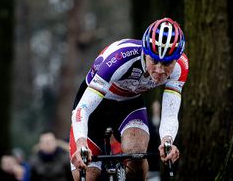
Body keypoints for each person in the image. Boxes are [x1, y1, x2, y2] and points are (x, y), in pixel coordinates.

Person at [69, 17, 188, 180]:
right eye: (154, 60)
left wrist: (167, 141)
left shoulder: (181, 67)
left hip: (129, 104)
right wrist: (81, 142)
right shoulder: (120, 57)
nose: (160, 70)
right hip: (95, 107)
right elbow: (84, 108)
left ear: (177, 58)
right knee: (89, 175)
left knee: (137, 156)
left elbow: (169, 113)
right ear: (145, 52)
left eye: (167, 63)